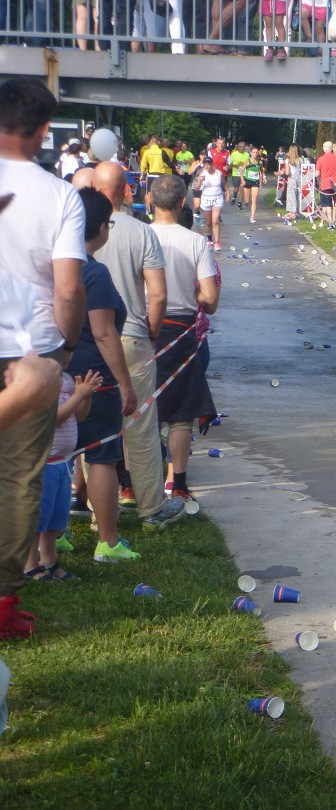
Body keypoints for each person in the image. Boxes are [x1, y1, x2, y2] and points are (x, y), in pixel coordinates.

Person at [0, 78, 86, 641]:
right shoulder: (59, 196)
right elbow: (69, 289)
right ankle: (3, 601)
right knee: (17, 477)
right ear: (41, 132)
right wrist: (66, 344)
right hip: (31, 348)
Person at [90, 160, 187, 530]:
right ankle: (150, 507)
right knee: (141, 426)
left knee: (95, 426)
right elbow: (158, 294)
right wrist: (151, 331)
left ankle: (97, 509)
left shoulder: (77, 231)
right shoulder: (141, 232)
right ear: (126, 190)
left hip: (90, 339)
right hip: (131, 335)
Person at [69, 186, 146, 562]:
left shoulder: (53, 267)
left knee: (52, 458)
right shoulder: (94, 274)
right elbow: (103, 332)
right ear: (100, 228)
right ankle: (109, 542)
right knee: (101, 455)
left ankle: (48, 538)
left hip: (56, 372)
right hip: (93, 378)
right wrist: (125, 384)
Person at [149, 175, 220, 504]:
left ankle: (130, 483)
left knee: (141, 406)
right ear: (182, 204)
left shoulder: (140, 234)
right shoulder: (195, 242)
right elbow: (210, 299)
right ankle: (176, 483)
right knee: (180, 415)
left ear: (151, 201)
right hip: (180, 329)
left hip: (142, 326)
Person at [24, 368, 100, 581]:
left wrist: (85, 397)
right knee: (37, 518)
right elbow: (52, 419)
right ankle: (30, 565)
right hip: (41, 464)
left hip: (62, 462)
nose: (66, 357)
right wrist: (78, 395)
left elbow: (80, 415)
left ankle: (49, 561)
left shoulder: (65, 379)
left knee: (55, 519)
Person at [194, 156, 226, 250]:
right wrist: (200, 181)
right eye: (205, 165)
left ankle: (217, 242)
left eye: (209, 164)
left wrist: (227, 193)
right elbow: (196, 188)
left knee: (215, 220)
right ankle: (209, 240)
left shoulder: (219, 173)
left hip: (217, 198)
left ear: (212, 164)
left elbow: (224, 184)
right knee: (208, 222)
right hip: (206, 198)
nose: (207, 166)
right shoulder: (202, 174)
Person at [316, 140, 336, 229]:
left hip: (325, 183)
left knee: (327, 204)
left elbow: (317, 174)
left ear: (324, 148)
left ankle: (330, 222)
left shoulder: (321, 159)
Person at [243, 146, 265, 224]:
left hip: (255, 182)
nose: (255, 154)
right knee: (247, 201)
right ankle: (246, 203)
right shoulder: (247, 161)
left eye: (256, 152)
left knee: (254, 200)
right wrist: (243, 181)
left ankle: (252, 216)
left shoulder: (260, 162)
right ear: (251, 153)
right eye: (254, 152)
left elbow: (261, 171)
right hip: (247, 181)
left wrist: (263, 178)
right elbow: (242, 172)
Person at [283, 144, 301, 222]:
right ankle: (298, 211)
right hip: (299, 179)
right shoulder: (300, 160)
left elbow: (287, 172)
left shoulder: (288, 161)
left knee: (291, 196)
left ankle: (292, 212)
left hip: (292, 178)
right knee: (298, 195)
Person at [229, 141, 249, 210]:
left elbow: (249, 164)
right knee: (236, 189)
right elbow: (230, 164)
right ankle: (234, 196)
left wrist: (244, 165)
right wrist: (236, 165)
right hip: (236, 174)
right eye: (241, 147)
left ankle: (239, 204)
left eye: (243, 147)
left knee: (242, 188)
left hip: (244, 174)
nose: (242, 148)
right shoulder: (233, 154)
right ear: (238, 147)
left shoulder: (247, 154)